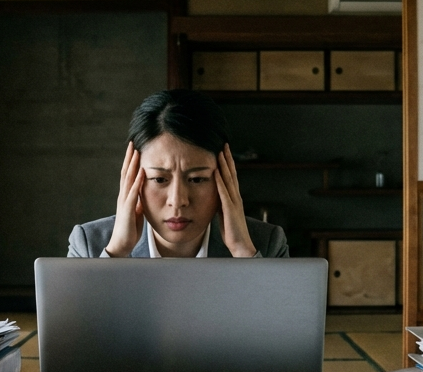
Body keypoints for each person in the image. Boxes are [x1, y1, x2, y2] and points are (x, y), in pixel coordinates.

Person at [67, 90, 289, 258]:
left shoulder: (267, 244)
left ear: (225, 175)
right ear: (133, 176)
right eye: (160, 179)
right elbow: (78, 320)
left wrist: (243, 252)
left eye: (197, 179)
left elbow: (282, 319)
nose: (178, 201)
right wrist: (116, 253)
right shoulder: (90, 245)